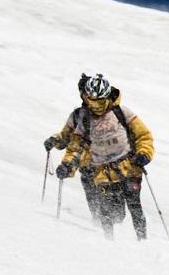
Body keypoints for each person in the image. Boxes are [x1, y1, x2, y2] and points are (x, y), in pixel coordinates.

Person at [56, 74, 154, 240]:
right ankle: (108, 243)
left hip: (129, 167)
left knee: (134, 205)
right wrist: (67, 166)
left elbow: (143, 135)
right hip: (102, 174)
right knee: (109, 213)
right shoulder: (85, 120)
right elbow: (76, 147)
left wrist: (144, 153)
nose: (97, 106)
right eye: (92, 101)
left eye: (100, 101)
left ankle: (142, 240)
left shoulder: (122, 113)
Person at [44, 74, 101, 223]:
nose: (86, 96)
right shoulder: (77, 115)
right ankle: (102, 233)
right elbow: (65, 137)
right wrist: (54, 141)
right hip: (87, 169)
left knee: (111, 209)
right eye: (83, 92)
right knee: (95, 205)